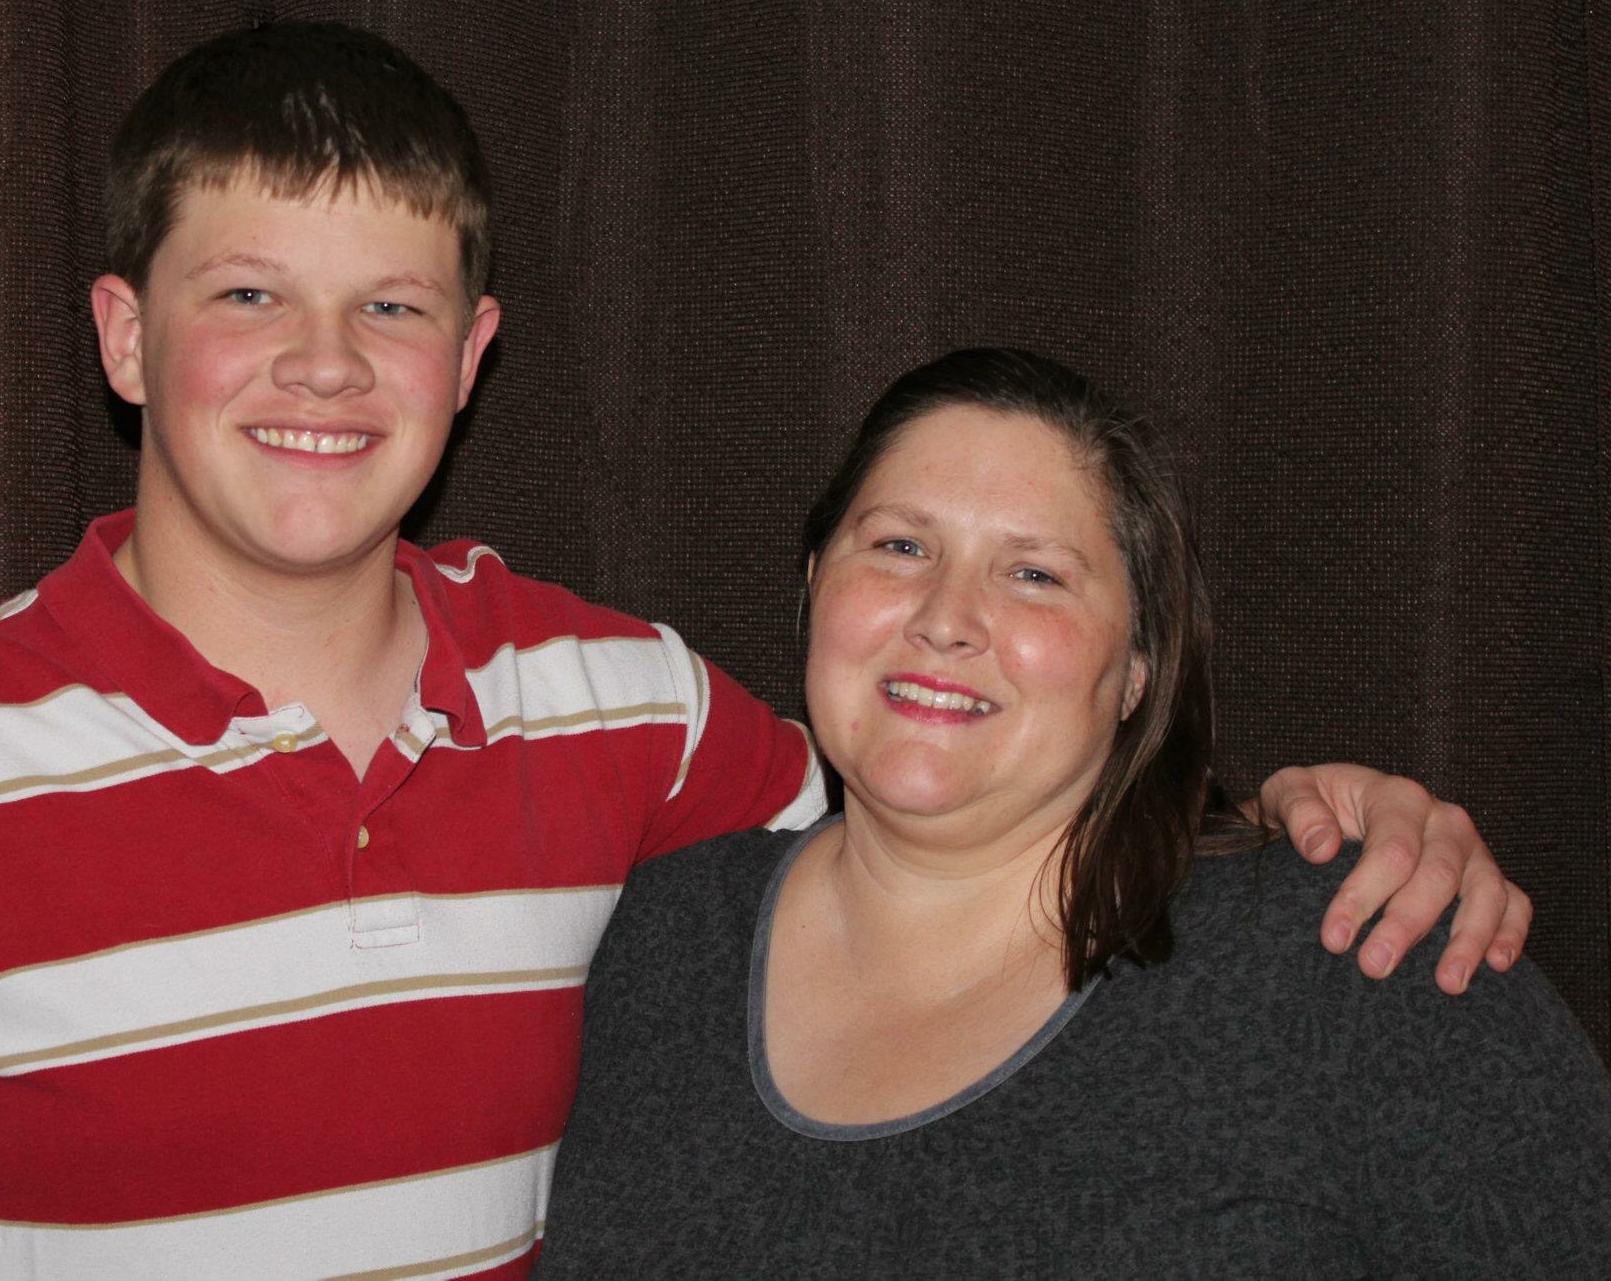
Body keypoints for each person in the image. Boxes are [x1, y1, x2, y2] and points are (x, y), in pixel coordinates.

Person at [0, 28, 1525, 1280]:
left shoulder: (630, 711)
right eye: (248, 295)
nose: (323, 367)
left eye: (392, 307)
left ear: (471, 359)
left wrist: (1304, 816)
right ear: (125, 337)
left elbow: (955, 801)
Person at [537, 348, 1611, 1276]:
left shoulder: (1360, 952)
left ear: (1137, 667)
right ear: (815, 581)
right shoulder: (660, 939)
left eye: (1035, 575)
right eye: (900, 547)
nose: (946, 618)